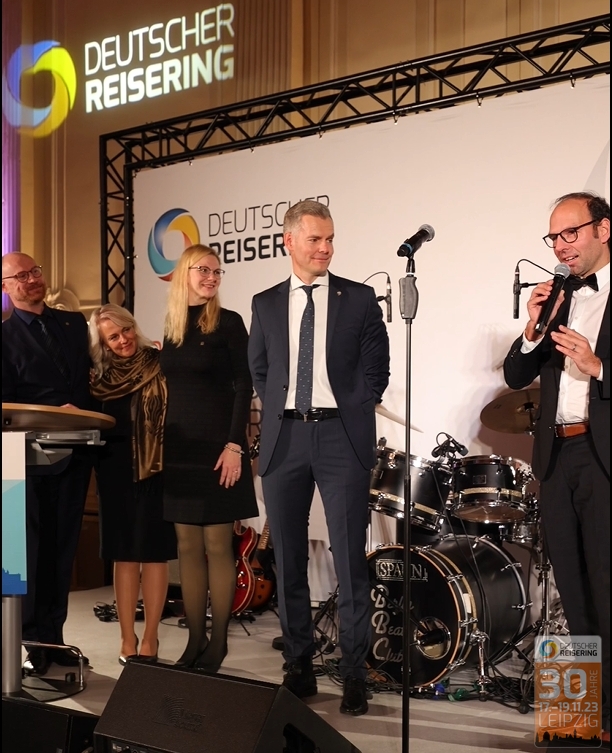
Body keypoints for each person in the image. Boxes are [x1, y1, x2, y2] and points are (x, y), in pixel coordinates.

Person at [248, 200, 390, 716]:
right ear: (289, 241)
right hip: (284, 438)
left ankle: (354, 673)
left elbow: (378, 369)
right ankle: (299, 666)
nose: (326, 248)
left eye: (330, 239)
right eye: (315, 239)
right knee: (288, 559)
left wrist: (352, 405)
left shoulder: (360, 298)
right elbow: (260, 370)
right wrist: (283, 408)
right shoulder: (265, 303)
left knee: (349, 559)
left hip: (340, 439)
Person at [504, 191, 609, 742]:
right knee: (570, 589)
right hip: (556, 457)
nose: (561, 246)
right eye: (554, 237)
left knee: (606, 586)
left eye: (571, 233)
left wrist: (598, 365)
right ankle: (584, 720)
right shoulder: (557, 296)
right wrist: (532, 328)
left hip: (601, 456)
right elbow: (516, 375)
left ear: (603, 230)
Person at [160, 244, 258, 673]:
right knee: (186, 546)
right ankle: (194, 638)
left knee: (218, 546)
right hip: (180, 451)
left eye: (217, 272)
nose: (211, 277)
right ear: (184, 272)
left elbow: (244, 385)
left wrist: (234, 445)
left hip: (220, 449)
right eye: (203, 270)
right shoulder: (173, 326)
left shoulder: (229, 322)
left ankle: (218, 643)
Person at [2, 252, 93, 676]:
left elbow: (89, 381)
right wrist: (55, 413)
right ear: (6, 287)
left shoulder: (74, 324)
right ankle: (26, 642)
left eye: (34, 271)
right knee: (24, 557)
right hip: (21, 461)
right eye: (20, 276)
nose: (31, 279)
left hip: (75, 454)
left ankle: (54, 638)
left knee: (61, 552)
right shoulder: (4, 336)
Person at [89, 304, 177, 665]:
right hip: (114, 472)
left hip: (157, 469)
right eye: (113, 337)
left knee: (154, 555)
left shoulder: (159, 361)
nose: (123, 340)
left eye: (126, 330)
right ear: (103, 344)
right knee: (124, 554)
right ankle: (127, 638)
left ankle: (151, 637)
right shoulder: (96, 378)